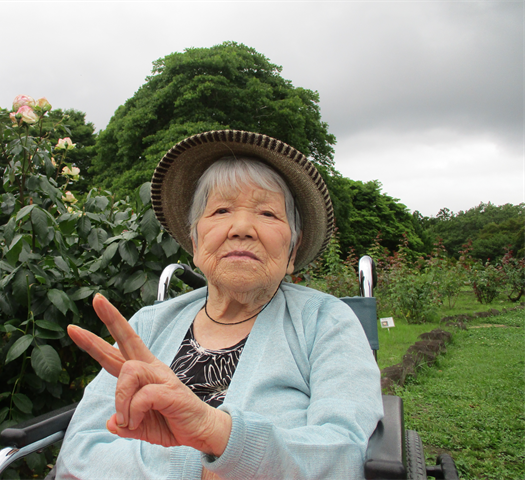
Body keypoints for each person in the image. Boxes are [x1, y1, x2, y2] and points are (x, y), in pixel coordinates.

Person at [56, 130, 383, 480]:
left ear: (293, 249)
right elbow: (78, 453)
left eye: (268, 214)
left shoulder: (325, 322)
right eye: (221, 209)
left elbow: (342, 453)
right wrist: (198, 467)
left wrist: (218, 435)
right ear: (195, 242)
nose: (241, 227)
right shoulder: (148, 325)